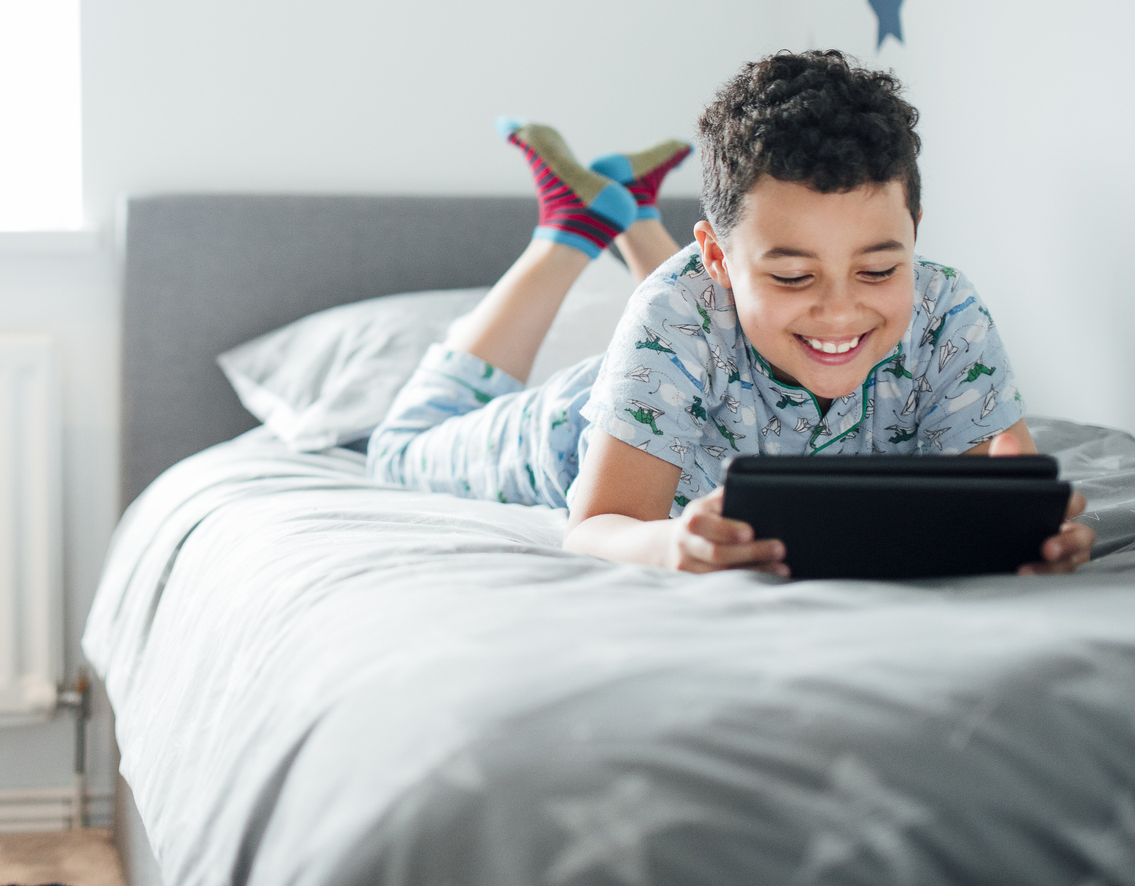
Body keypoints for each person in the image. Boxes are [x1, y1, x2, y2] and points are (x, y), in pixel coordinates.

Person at [366, 49, 1093, 577]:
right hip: (568, 430)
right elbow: (596, 525)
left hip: (703, 350)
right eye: (791, 273)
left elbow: (999, 494)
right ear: (717, 257)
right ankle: (570, 228)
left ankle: (634, 213)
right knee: (396, 449)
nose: (840, 311)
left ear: (915, 232)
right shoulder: (677, 308)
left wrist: (1030, 540)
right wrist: (669, 543)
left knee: (725, 322)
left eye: (877, 269)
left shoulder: (946, 310)